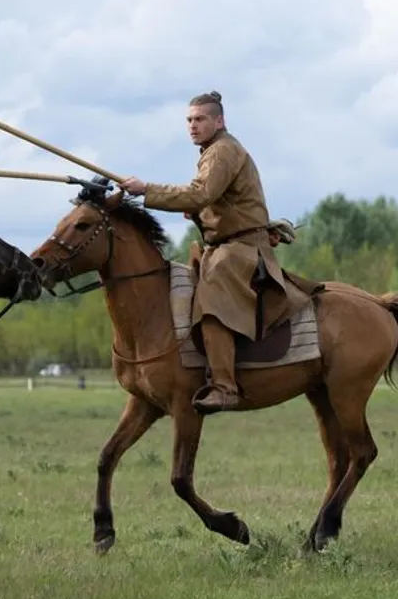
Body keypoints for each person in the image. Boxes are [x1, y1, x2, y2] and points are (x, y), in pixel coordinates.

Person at [118, 91, 309, 415]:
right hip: (225, 244)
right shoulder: (213, 151)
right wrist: (198, 214)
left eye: (200, 119)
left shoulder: (222, 151)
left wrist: (146, 190)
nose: (192, 126)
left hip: (240, 249)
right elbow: (211, 200)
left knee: (210, 301)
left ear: (219, 121)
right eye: (189, 120)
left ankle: (224, 386)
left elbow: (201, 193)